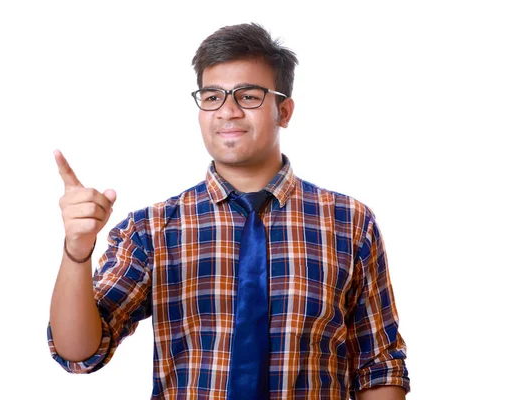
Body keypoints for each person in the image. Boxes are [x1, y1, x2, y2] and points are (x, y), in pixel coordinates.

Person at [47, 22, 410, 399]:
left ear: (283, 111)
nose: (228, 111)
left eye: (248, 96)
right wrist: (77, 251)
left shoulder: (348, 222)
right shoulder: (152, 229)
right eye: (212, 96)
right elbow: (80, 351)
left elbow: (378, 364)